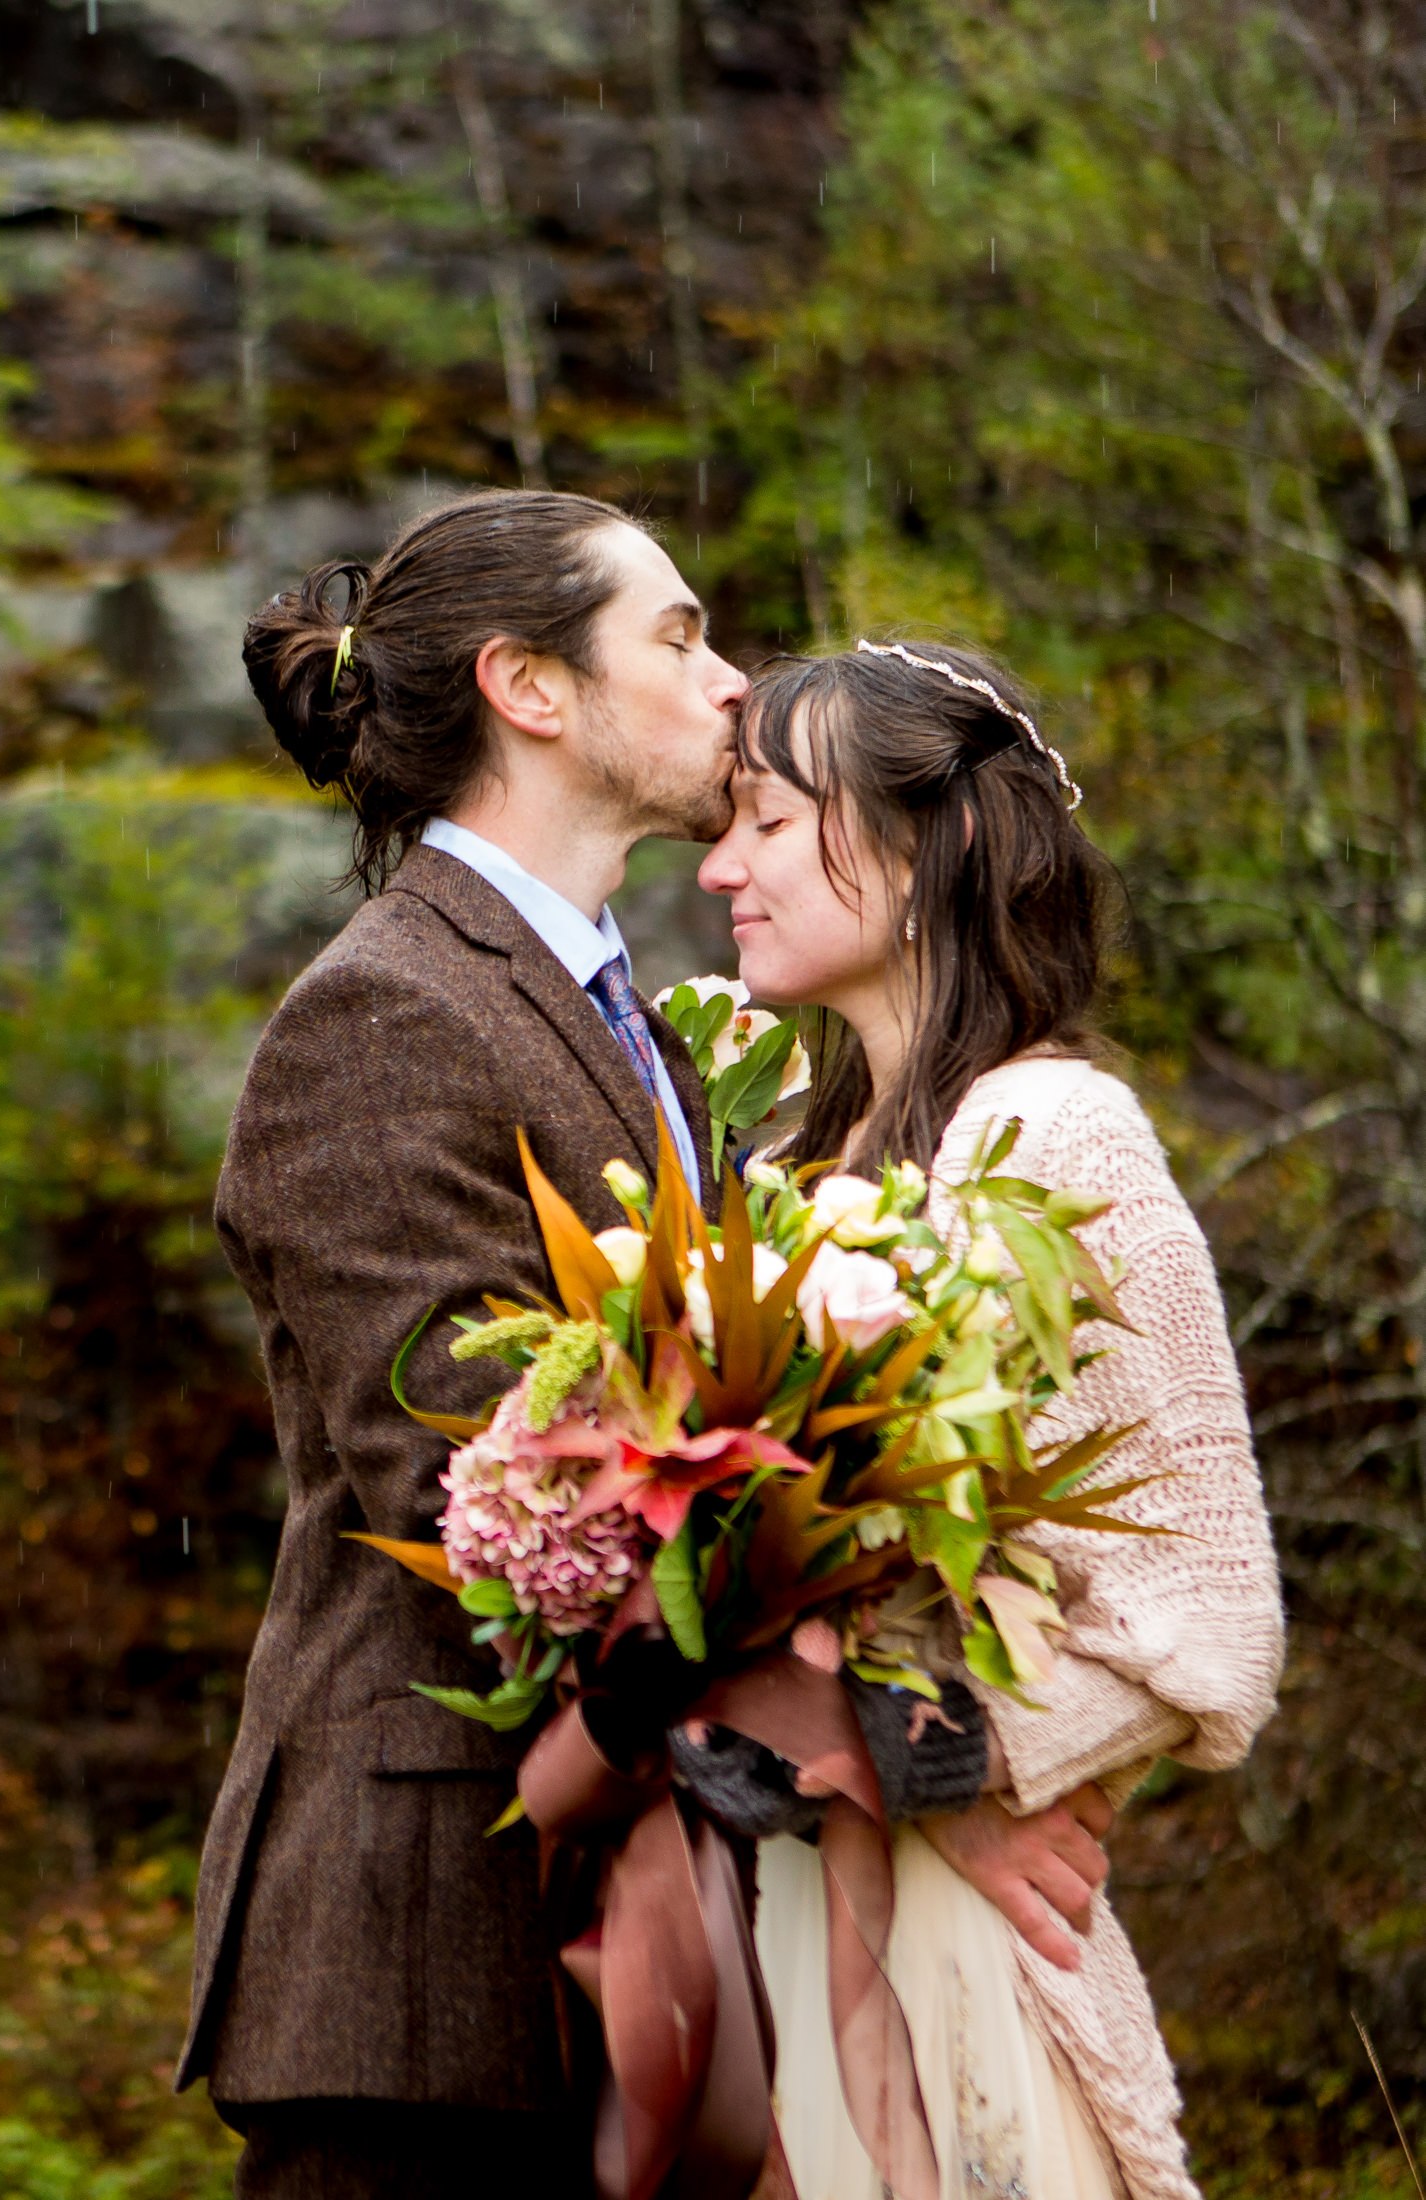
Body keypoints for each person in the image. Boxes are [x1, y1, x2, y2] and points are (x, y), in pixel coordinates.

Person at [176, 487, 1144, 2200]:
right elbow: (503, 1491)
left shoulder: (629, 1021)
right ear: (530, 689)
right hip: (429, 1964)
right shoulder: (384, 1014)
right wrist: (915, 1780)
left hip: (634, 1933)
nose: (729, 682)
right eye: (679, 637)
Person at [694, 639, 1285, 2200]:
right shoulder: (791, 1165)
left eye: (765, 821)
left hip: (952, 1950)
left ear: (925, 848)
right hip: (770, 1907)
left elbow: (1206, 1606)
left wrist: (928, 1766)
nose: (716, 868)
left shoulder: (1055, 1134)